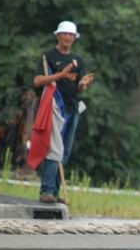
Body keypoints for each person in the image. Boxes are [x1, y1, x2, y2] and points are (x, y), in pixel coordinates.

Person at [32, 21, 94, 204]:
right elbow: (37, 81)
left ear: (74, 38)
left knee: (64, 152)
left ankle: (55, 191)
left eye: (71, 35)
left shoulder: (78, 60)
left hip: (72, 108)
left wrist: (83, 85)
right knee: (54, 149)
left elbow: (77, 88)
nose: (67, 37)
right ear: (58, 36)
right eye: (64, 34)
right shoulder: (48, 56)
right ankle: (46, 190)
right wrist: (60, 74)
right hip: (54, 107)